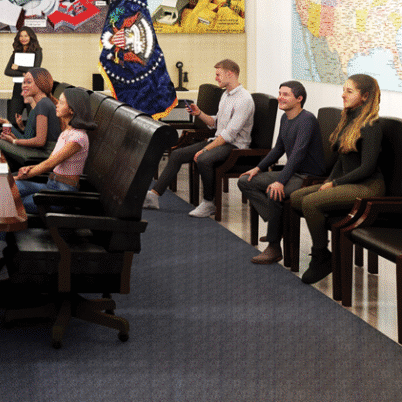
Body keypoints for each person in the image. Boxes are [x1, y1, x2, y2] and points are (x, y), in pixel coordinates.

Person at [0, 88, 97, 275]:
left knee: (12, 205)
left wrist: (31, 172)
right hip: (51, 185)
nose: (56, 104)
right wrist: (28, 171)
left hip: (61, 195)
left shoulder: (78, 138)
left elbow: (52, 162)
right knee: (7, 188)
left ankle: (5, 255)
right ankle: (0, 244)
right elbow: (51, 160)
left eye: (61, 102)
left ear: (72, 110)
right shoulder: (67, 131)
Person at [292, 74, 384, 284]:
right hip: (349, 182)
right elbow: (342, 161)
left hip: (368, 187)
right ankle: (326, 251)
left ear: (365, 96)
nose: (343, 95)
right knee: (297, 198)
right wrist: (329, 182)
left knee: (311, 202)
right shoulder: (350, 118)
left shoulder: (371, 125)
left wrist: (335, 184)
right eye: (344, 90)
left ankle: (321, 256)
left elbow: (367, 168)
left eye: (349, 91)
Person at [143, 59, 254, 218]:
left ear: (230, 74)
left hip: (235, 147)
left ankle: (209, 203)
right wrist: (199, 113)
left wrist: (205, 149)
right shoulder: (226, 95)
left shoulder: (244, 99)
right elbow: (216, 123)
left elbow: (228, 135)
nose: (216, 78)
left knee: (203, 158)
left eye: (218, 74)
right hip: (220, 141)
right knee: (177, 155)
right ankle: (153, 196)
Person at [237, 81, 325, 265]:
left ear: (299, 99)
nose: (280, 98)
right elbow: (278, 149)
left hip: (308, 177)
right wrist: (258, 168)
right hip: (293, 172)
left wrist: (280, 181)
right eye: (279, 93)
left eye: (286, 94)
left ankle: (274, 246)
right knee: (245, 181)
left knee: (274, 191)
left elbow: (298, 154)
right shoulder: (285, 118)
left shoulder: (307, 120)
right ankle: (277, 225)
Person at [0, 67, 61, 150]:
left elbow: (40, 141)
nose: (24, 86)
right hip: (42, 151)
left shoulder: (43, 104)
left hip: (43, 154)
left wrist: (14, 141)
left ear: (40, 84)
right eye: (23, 82)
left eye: (29, 82)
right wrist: (14, 138)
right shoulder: (43, 103)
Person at [4, 28, 43, 122]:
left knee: (32, 120)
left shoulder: (37, 51)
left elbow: (35, 70)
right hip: (18, 89)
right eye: (21, 36)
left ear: (31, 37)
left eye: (26, 36)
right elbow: (7, 71)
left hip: (31, 90)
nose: (23, 38)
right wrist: (23, 73)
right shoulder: (16, 51)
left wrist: (18, 67)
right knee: (12, 119)